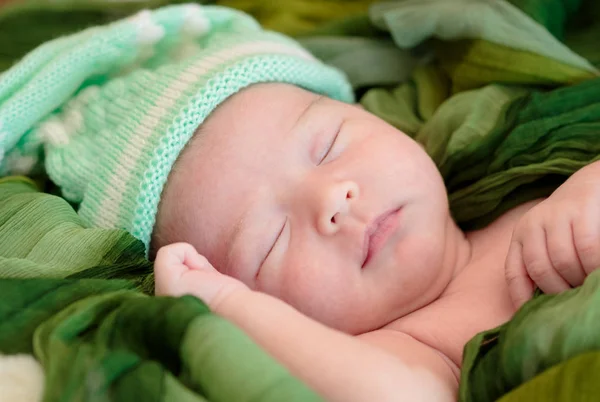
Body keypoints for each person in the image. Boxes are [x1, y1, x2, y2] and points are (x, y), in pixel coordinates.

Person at [2, 4, 600, 402]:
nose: (331, 203)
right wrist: (229, 305)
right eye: (270, 244)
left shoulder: (526, 162)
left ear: (366, 113)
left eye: (329, 146)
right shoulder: (412, 349)